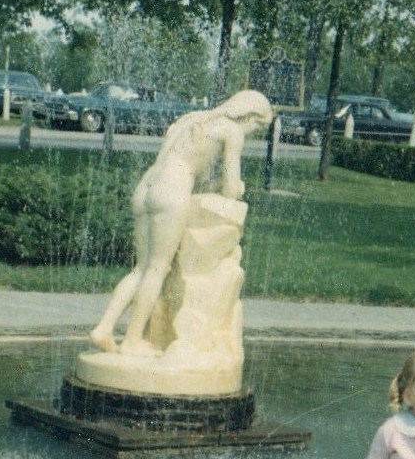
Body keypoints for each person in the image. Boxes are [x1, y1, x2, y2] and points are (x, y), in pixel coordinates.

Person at [88, 90, 275, 356]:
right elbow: (231, 188)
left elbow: (185, 164)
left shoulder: (193, 120)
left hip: (146, 188)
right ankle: (131, 341)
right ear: (250, 116)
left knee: (140, 270)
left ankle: (104, 329)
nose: (254, 134)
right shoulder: (231, 131)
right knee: (157, 269)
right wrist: (236, 186)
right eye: (258, 127)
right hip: (171, 191)